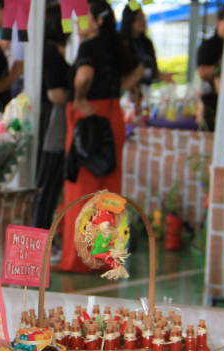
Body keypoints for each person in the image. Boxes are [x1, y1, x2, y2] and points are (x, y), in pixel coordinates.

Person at [55, 0, 142, 273]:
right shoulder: (117, 47)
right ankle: (103, 258)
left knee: (81, 190)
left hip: (89, 120)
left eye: (83, 18)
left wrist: (80, 97)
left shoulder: (89, 47)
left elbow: (84, 75)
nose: (77, 23)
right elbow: (138, 72)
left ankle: (78, 260)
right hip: (112, 117)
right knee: (109, 192)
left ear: (98, 21)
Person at [31, 6, 70, 230]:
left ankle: (39, 235)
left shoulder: (42, 49)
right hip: (52, 127)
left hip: (44, 123)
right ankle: (40, 237)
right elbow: (57, 95)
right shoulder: (51, 54)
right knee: (47, 185)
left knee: (44, 184)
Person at [120, 7, 172, 87]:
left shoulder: (147, 43)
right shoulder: (121, 43)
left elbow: (153, 71)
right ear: (129, 19)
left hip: (146, 89)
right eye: (139, 17)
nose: (143, 21)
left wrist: (161, 75)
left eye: (144, 17)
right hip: (127, 90)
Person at [196, 5, 224, 131]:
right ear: (219, 22)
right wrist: (222, 68)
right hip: (210, 104)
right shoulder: (208, 45)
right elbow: (202, 72)